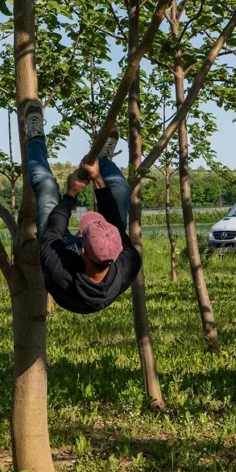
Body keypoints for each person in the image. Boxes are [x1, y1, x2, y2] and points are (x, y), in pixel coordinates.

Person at [22, 100, 141, 314]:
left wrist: (72, 192)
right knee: (121, 188)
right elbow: (114, 223)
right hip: (93, 259)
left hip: (61, 258)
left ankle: (34, 135)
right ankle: (101, 160)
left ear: (82, 249)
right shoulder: (129, 261)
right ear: (118, 250)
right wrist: (97, 180)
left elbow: (53, 232)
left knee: (46, 185)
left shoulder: (59, 270)